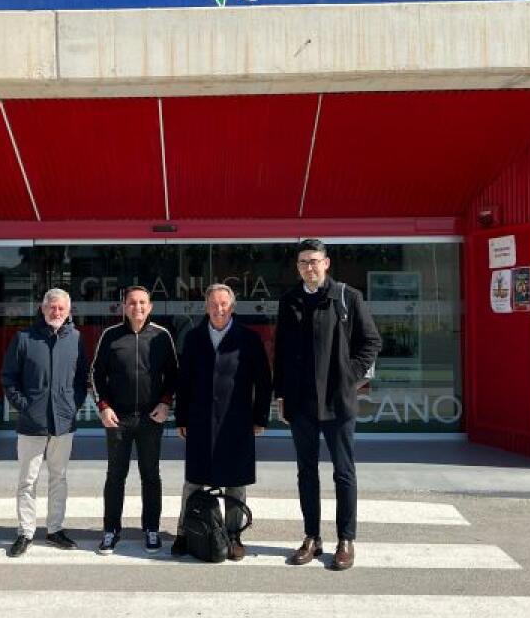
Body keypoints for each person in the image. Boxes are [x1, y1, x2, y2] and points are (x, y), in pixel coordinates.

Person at [274, 238, 382, 571]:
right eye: (303, 262)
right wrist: (281, 396)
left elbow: (371, 342)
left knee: (344, 473)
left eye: (314, 261)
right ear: (298, 267)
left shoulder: (347, 297)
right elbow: (280, 352)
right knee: (306, 473)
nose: (309, 267)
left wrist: (347, 376)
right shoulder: (290, 300)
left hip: (338, 402)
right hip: (301, 403)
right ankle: (311, 538)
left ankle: (346, 540)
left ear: (326, 263)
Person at [171, 283, 271, 562]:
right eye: (213, 304)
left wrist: (260, 416)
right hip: (200, 420)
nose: (219, 309)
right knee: (193, 481)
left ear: (232, 306)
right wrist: (181, 417)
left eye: (224, 304)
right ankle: (184, 532)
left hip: (237, 421)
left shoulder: (248, 339)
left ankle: (233, 536)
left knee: (236, 483)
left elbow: (263, 381)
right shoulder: (193, 337)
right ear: (206, 307)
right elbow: (184, 382)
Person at [0, 288, 90, 558]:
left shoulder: (75, 338)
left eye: (62, 308)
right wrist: (25, 408)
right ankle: (26, 532)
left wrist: (71, 405)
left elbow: (82, 378)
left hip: (63, 423)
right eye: (52, 307)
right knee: (27, 481)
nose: (57, 312)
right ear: (42, 309)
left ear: (68, 310)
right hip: (32, 424)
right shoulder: (24, 338)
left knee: (59, 478)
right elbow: (8, 377)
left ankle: (55, 529)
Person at [90, 285, 179, 554]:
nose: (137, 307)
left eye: (142, 303)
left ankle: (151, 528)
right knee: (115, 476)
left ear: (150, 307)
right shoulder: (111, 336)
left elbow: (174, 374)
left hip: (151, 418)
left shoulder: (162, 336)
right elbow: (96, 374)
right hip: (118, 417)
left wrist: (165, 404)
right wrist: (103, 406)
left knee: (150, 475)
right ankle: (110, 529)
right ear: (123, 307)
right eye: (132, 303)